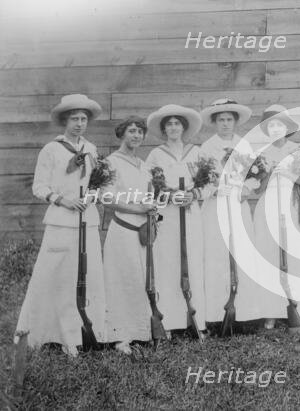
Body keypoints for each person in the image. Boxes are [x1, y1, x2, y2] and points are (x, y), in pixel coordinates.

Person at [14, 94, 106, 357]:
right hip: (61, 222)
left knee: (87, 276)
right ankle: (46, 333)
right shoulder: (51, 149)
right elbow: (39, 186)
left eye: (83, 119)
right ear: (65, 121)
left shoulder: (92, 149)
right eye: (74, 118)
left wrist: (91, 197)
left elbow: (96, 184)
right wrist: (63, 200)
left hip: (86, 220)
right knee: (55, 276)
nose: (79, 123)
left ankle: (85, 335)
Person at [198, 98, 263, 326]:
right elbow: (202, 180)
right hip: (216, 206)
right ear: (215, 123)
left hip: (238, 205)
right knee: (217, 256)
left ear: (235, 122)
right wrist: (216, 189)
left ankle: (245, 314)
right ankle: (216, 315)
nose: (225, 124)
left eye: (229, 119)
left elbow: (257, 175)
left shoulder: (244, 145)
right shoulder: (207, 147)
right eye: (221, 120)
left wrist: (247, 188)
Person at [145, 104, 206, 337]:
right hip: (168, 215)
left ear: (184, 127)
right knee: (168, 261)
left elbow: (210, 182)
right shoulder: (156, 154)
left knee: (193, 260)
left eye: (177, 123)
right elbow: (149, 186)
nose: (173, 127)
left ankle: (197, 321)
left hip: (191, 214)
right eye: (168, 124)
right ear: (163, 129)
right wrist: (169, 195)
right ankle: (169, 322)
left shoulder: (197, 152)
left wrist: (194, 194)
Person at [102, 116, 157, 354]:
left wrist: (152, 205)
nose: (136, 136)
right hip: (123, 227)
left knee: (139, 278)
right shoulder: (110, 163)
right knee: (120, 279)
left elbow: (149, 195)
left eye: (140, 132)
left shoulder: (143, 165)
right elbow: (107, 198)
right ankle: (119, 337)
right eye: (132, 131)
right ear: (122, 134)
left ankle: (140, 332)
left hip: (143, 230)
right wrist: (138, 208)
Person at [252, 105, 300, 328]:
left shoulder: (298, 148)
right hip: (268, 205)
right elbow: (258, 189)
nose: (276, 128)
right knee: (268, 256)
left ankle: (296, 309)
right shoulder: (259, 152)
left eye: (280, 124)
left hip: (292, 204)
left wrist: (285, 171)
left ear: (287, 127)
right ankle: (271, 312)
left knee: (292, 257)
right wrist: (269, 173)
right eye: (272, 125)